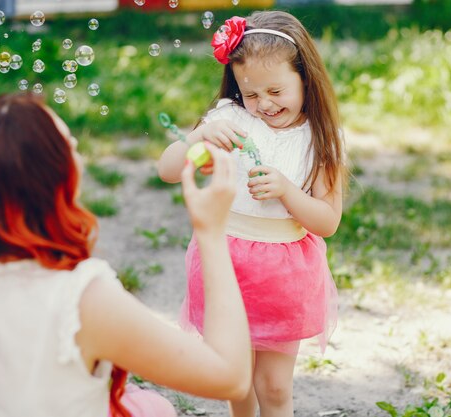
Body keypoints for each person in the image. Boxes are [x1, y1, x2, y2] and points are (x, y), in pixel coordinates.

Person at [0, 93, 252, 417]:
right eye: (71, 148)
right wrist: (210, 232)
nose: (81, 159)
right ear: (52, 182)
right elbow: (231, 377)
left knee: (144, 404)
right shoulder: (83, 298)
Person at [157, 10, 345, 417]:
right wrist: (198, 138)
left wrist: (287, 191)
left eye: (276, 90)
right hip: (226, 266)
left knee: (274, 387)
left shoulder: (320, 138)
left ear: (305, 78)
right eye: (251, 93)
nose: (264, 104)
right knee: (237, 380)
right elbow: (168, 170)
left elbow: (327, 222)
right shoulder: (230, 120)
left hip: (285, 277)